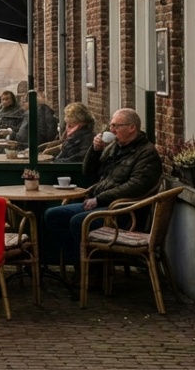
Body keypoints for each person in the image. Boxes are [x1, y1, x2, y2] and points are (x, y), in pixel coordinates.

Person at [43, 108, 162, 272]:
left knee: (78, 221)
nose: (111, 130)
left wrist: (99, 199)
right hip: (101, 203)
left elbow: (135, 187)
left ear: (132, 128)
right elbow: (88, 171)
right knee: (53, 215)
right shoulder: (114, 147)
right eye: (111, 126)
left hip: (122, 212)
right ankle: (82, 265)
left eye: (116, 126)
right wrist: (94, 150)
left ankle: (93, 271)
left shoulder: (146, 153)